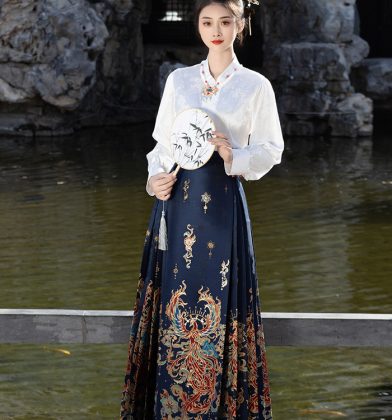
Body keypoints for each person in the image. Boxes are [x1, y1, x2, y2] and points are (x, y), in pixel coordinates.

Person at [120, 0, 284, 418]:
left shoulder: (255, 86)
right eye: (207, 22)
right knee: (173, 301)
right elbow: (162, 147)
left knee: (220, 298)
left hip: (222, 204)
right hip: (176, 204)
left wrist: (234, 156)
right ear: (198, 27)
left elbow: (271, 150)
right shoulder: (179, 81)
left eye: (225, 22)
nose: (216, 30)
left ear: (240, 26)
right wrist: (154, 180)